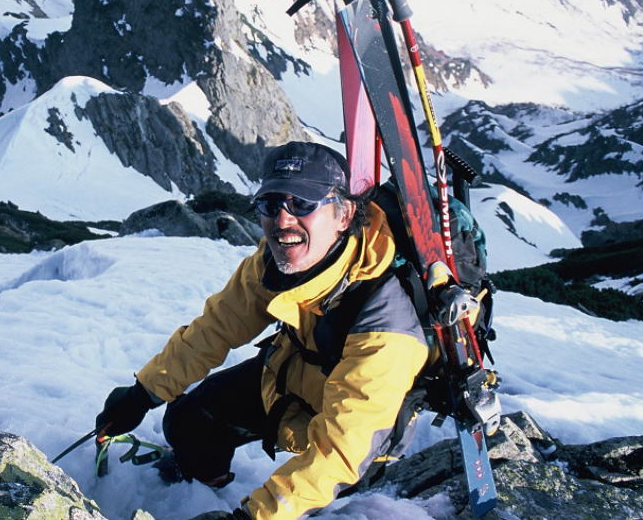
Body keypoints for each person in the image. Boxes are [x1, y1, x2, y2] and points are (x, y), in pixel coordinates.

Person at [94, 141, 429, 520]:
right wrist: (143, 393)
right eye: (272, 204)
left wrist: (252, 517)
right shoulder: (273, 263)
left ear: (344, 214)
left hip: (364, 435)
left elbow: (343, 446)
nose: (283, 221)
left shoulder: (385, 322)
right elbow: (216, 329)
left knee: (325, 491)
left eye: (303, 204)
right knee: (186, 423)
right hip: (293, 377)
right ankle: (208, 485)